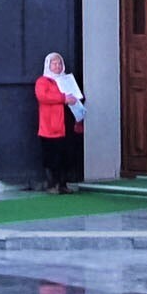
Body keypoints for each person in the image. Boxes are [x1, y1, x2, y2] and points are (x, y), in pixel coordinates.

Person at [32, 49, 86, 191]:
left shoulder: (67, 80)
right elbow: (43, 97)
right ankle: (52, 184)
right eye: (53, 64)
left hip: (65, 125)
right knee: (51, 158)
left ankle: (63, 184)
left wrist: (78, 116)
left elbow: (77, 98)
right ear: (48, 66)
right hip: (50, 127)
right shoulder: (43, 82)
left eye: (59, 63)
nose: (57, 67)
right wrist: (63, 98)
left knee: (65, 156)